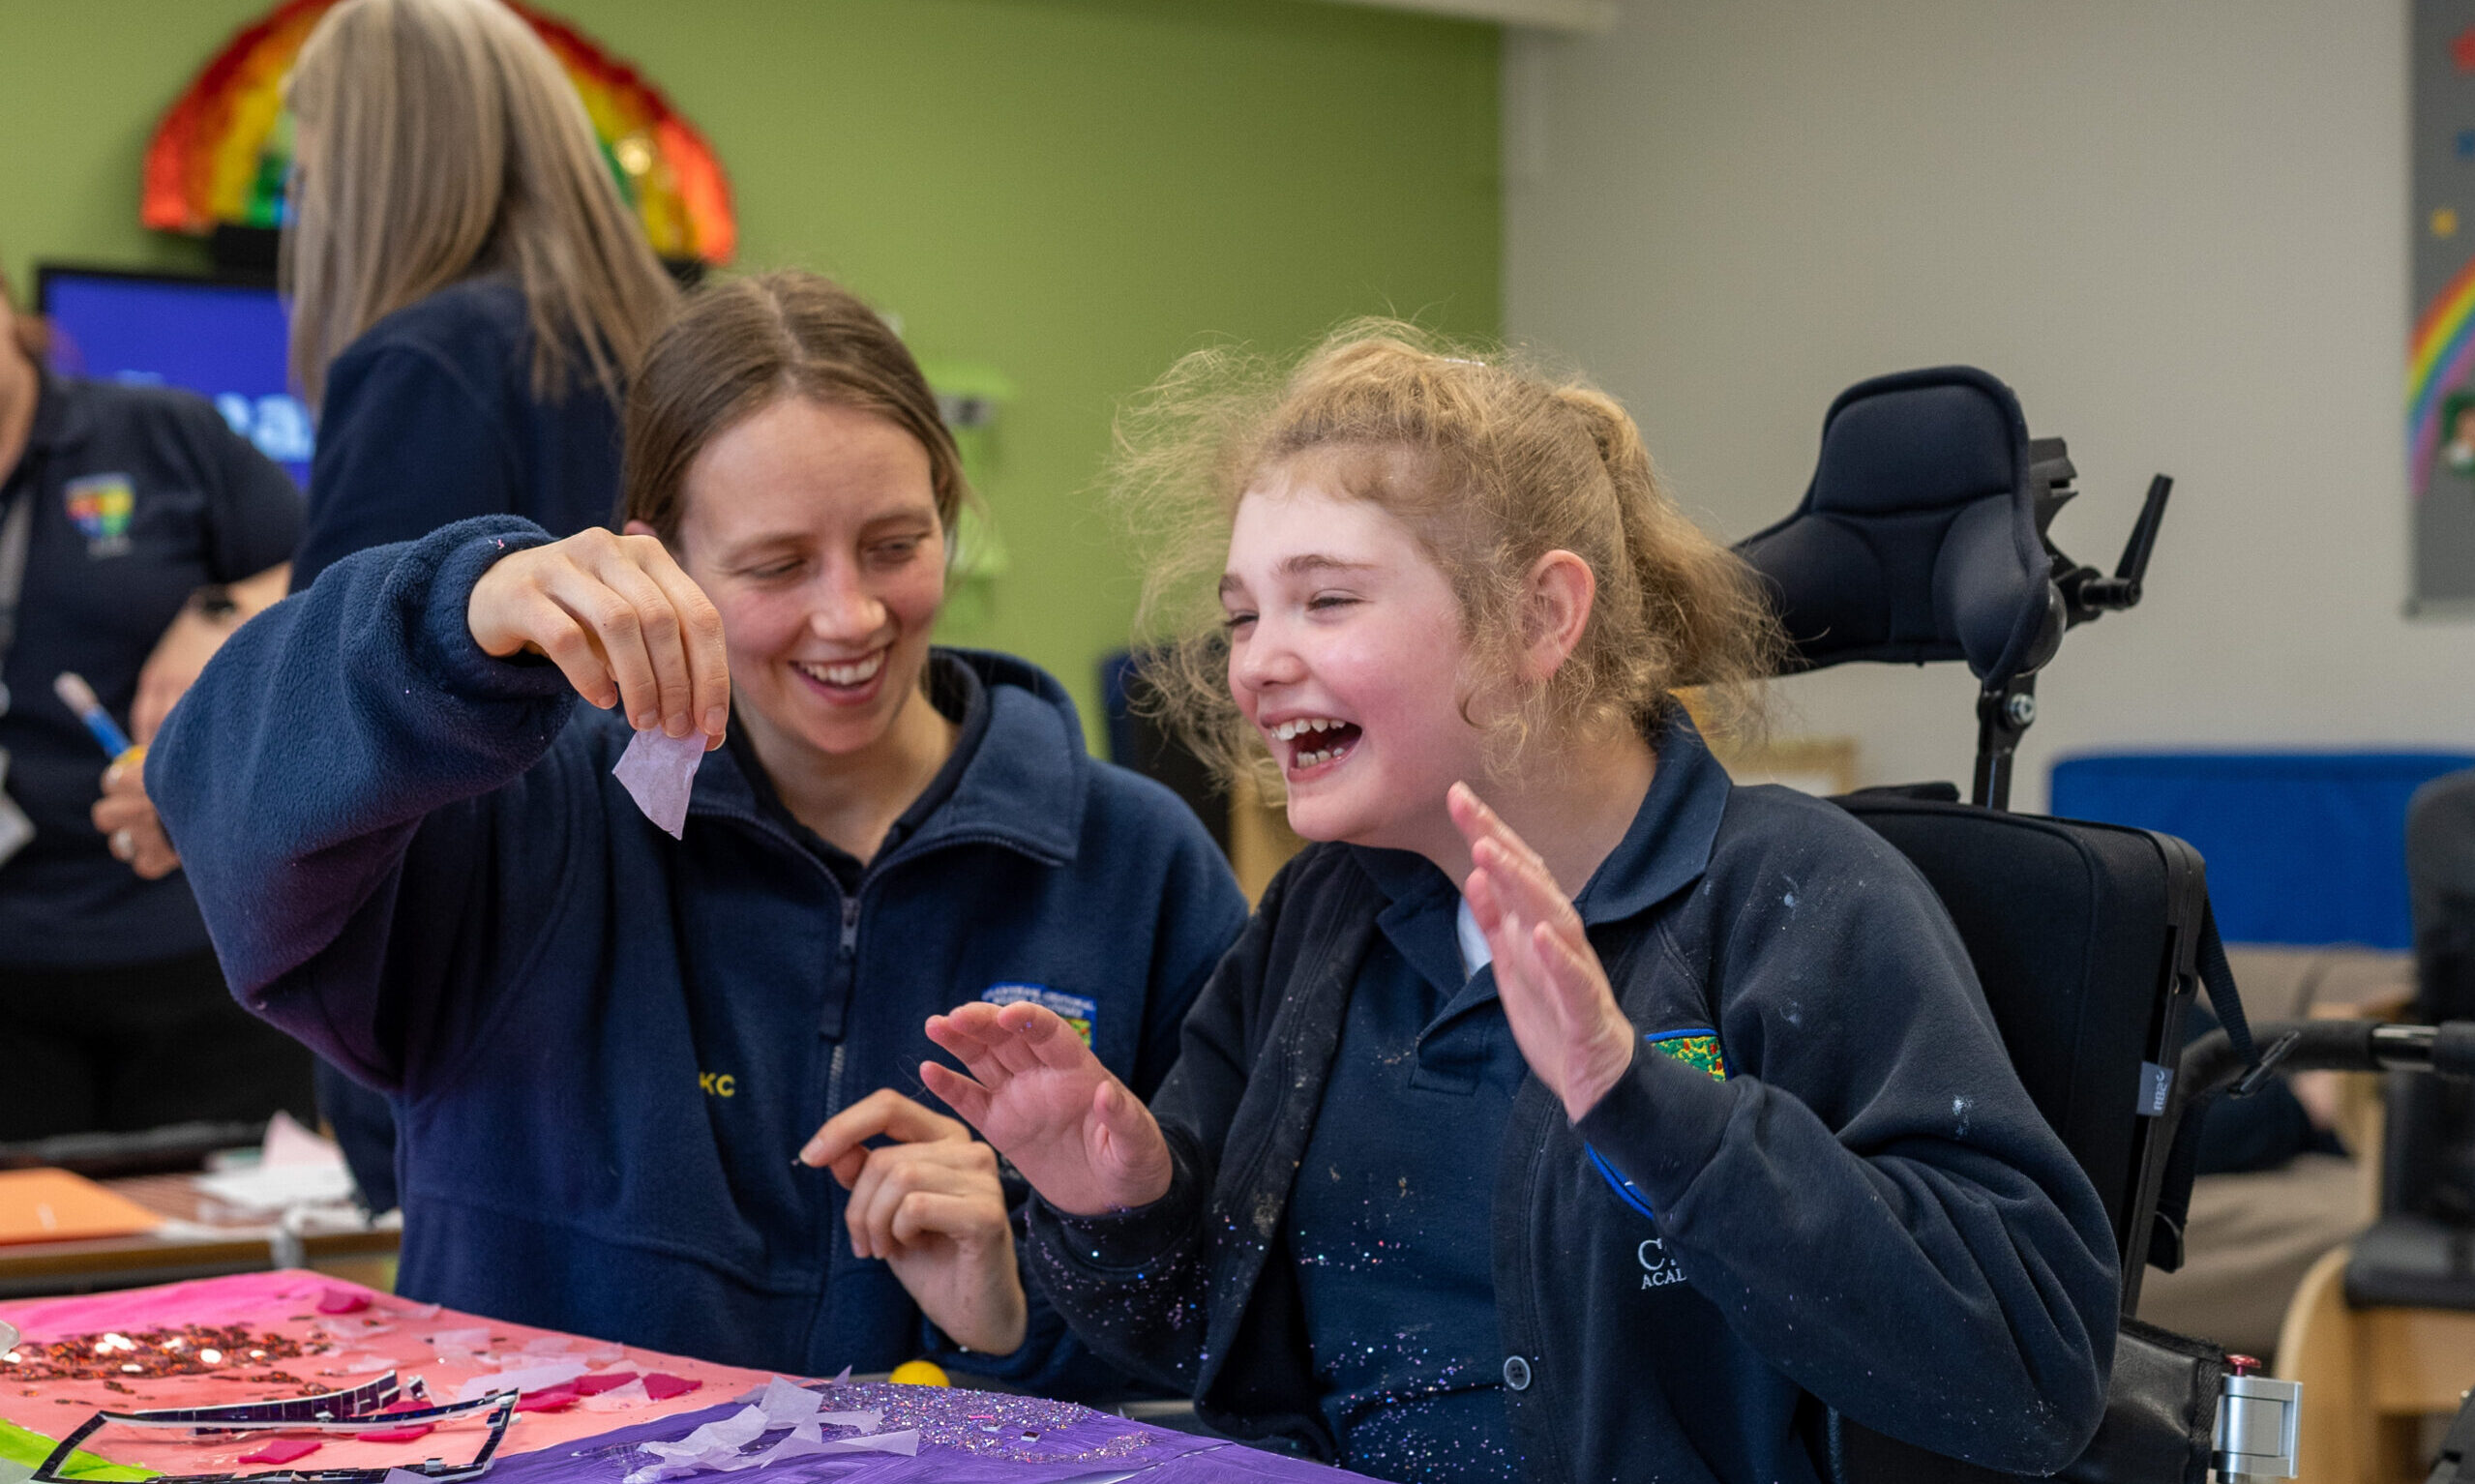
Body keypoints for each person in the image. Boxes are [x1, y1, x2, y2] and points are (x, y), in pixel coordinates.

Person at [920, 327, 2121, 1482]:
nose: (1253, 664)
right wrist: (1115, 1201)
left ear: (1540, 617)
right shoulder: (1315, 923)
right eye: (1242, 614)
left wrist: (1643, 1105)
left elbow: (2029, 1378)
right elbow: (1189, 1340)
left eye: (1323, 601)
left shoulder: (1795, 898)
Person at [143, 270, 1248, 1387]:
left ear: (949, 512)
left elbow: (1236, 1313)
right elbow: (221, 794)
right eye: (776, 565)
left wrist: (1022, 1310)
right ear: (656, 556)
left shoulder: (1135, 864)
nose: (849, 615)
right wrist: (454, 621)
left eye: (895, 545)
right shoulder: (514, 820)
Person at [277, 0, 684, 1210]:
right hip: (679, 953)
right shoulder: (668, 349)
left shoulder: (425, 359)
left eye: (311, 171)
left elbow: (342, 719)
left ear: (367, 167)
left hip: (477, 988)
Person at [0, 267, 312, 1138]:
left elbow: (332, 571)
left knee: (222, 1260)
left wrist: (217, 612)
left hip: (198, 947)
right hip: (13, 975)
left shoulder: (160, 434)